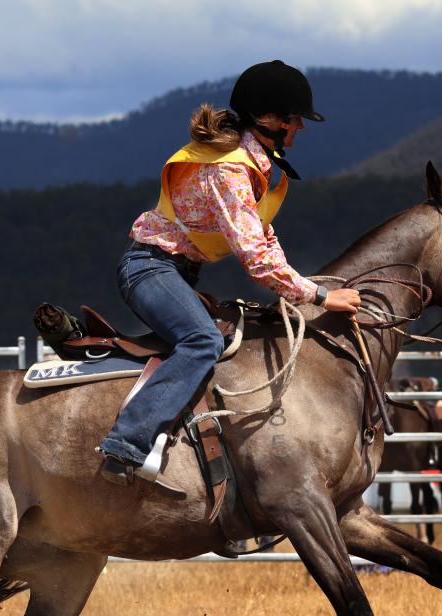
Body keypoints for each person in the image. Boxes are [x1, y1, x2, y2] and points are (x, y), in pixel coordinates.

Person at [96, 60, 361, 489]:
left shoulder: (247, 165)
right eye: (295, 119)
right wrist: (318, 297)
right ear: (270, 120)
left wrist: (304, 286)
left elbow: (264, 237)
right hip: (151, 268)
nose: (300, 128)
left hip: (172, 272)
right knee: (202, 341)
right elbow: (255, 257)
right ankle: (128, 441)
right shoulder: (231, 169)